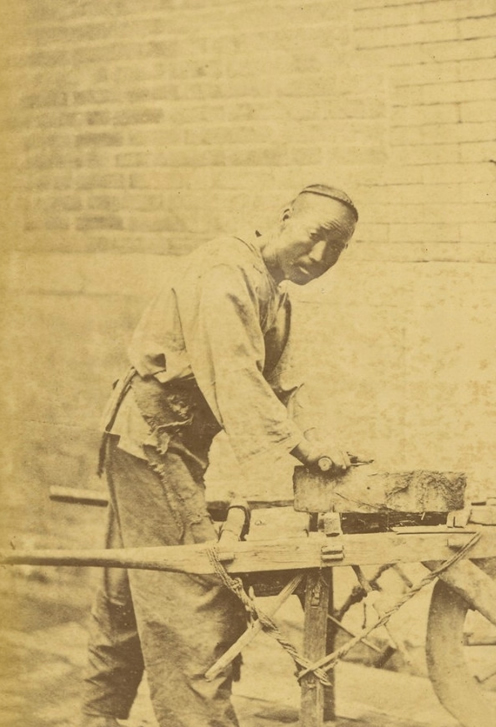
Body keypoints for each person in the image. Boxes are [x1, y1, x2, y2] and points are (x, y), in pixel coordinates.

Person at [81, 185, 359, 727]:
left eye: (338, 248)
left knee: (132, 580)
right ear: (285, 217)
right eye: (315, 235)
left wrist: (320, 441)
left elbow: (283, 385)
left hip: (172, 445)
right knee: (189, 588)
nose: (320, 255)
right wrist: (303, 448)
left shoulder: (274, 291)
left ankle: (96, 716)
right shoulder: (225, 273)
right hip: (153, 441)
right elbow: (235, 376)